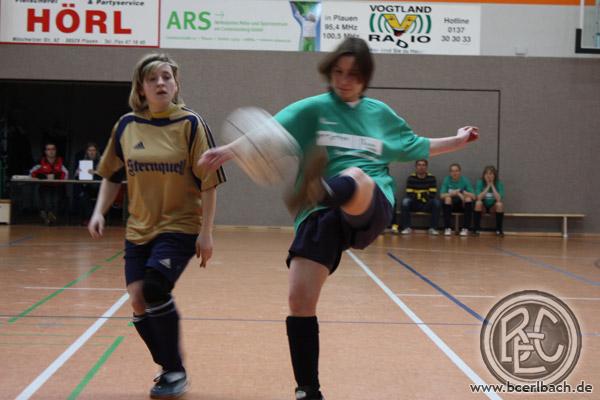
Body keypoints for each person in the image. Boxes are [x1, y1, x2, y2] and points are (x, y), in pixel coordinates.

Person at [199, 38, 478, 400]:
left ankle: (323, 189)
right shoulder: (312, 110)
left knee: (356, 177)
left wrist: (458, 140)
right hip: (319, 214)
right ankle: (308, 389)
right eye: (339, 72)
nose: (345, 81)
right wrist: (228, 151)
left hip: (369, 202)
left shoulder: (379, 114)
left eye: (354, 75)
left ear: (366, 78)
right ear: (330, 72)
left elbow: (417, 145)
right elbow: (268, 135)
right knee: (299, 300)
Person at [88, 53, 225, 399]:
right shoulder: (126, 126)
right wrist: (99, 212)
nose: (161, 83)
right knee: (137, 300)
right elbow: (111, 174)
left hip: (180, 225)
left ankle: (175, 370)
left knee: (154, 289)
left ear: (176, 84)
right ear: (141, 88)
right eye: (153, 79)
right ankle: (167, 366)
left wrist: (206, 233)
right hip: (139, 228)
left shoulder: (191, 124)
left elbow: (209, 183)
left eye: (167, 77)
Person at [392, 159, 441, 235]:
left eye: (423, 165)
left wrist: (418, 195)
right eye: (419, 165)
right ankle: (406, 228)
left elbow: (432, 194)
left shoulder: (432, 178)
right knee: (405, 202)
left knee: (436, 203)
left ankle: (433, 228)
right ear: (416, 167)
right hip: (414, 204)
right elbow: (409, 194)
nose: (421, 167)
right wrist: (423, 195)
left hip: (427, 204)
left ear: (426, 167)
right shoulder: (411, 178)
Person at [29, 142, 69, 225]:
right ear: (45, 151)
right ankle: (46, 217)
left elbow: (66, 174)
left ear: (56, 151)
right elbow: (32, 173)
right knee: (47, 202)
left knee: (56, 202)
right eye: (48, 149)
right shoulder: (40, 161)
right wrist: (45, 176)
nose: (51, 151)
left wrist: (55, 176)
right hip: (45, 186)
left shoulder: (61, 161)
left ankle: (51, 218)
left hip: (57, 186)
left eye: (53, 149)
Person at [440, 163, 475, 236]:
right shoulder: (447, 179)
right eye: (452, 171)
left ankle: (465, 228)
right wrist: (456, 193)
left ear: (460, 172)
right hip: (450, 205)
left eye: (456, 171)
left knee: (468, 199)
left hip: (462, 205)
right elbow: (441, 196)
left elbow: (473, 196)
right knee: (447, 199)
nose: (454, 173)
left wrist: (461, 191)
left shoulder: (465, 180)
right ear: (450, 172)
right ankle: (447, 228)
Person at [473, 165, 505, 236]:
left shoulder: (499, 183)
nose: (488, 176)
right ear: (484, 175)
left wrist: (492, 185)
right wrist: (488, 186)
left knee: (499, 204)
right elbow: (479, 198)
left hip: (493, 207)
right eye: (486, 173)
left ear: (494, 175)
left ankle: (499, 230)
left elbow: (498, 199)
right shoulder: (480, 182)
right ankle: (476, 229)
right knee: (478, 203)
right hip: (483, 206)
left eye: (490, 174)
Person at [75, 142, 101, 225]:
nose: (92, 152)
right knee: (83, 196)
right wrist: (77, 173)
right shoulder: (83, 162)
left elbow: (106, 174)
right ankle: (89, 218)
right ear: (87, 152)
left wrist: (95, 172)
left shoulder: (101, 162)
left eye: (93, 150)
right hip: (87, 187)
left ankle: (96, 219)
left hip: (99, 188)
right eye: (90, 150)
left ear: (96, 151)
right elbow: (76, 177)